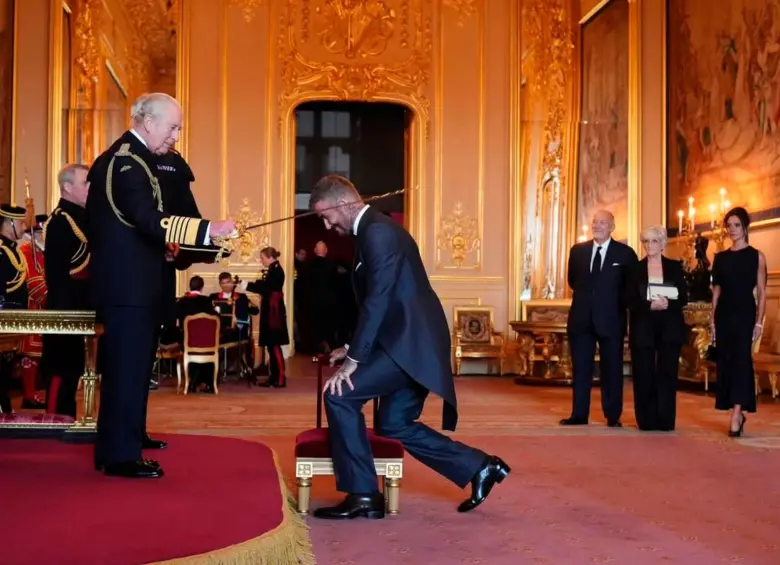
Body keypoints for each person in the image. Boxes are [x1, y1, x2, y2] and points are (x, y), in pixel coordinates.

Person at [308, 174, 509, 520]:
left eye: (326, 216)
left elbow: (379, 300)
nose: (326, 226)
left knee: (339, 395)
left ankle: (363, 496)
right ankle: (480, 467)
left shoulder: (379, 232)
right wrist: (350, 345)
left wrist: (354, 360)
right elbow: (387, 300)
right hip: (408, 342)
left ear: (343, 204)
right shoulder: (371, 231)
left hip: (409, 347)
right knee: (394, 423)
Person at [87, 92, 236, 478]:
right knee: (127, 370)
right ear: (147, 122)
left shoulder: (138, 161)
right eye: (172, 127)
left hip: (138, 285)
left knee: (134, 370)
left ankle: (122, 444)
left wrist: (192, 246)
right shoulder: (125, 163)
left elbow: (149, 225)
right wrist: (208, 229)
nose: (175, 136)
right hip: (128, 288)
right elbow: (147, 217)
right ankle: (121, 456)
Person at [562, 210, 638, 427]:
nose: (597, 226)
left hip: (611, 320)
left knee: (612, 370)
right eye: (595, 222)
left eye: (602, 223)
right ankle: (579, 415)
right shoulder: (578, 252)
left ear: (612, 227)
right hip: (581, 320)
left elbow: (629, 287)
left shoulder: (625, 254)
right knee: (581, 369)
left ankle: (613, 416)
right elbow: (573, 281)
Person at [711, 207, 766, 437]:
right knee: (727, 362)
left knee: (742, 362)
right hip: (723, 316)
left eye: (736, 225)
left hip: (745, 316)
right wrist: (712, 323)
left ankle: (736, 413)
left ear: (745, 227)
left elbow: (762, 292)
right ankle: (736, 411)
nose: (732, 230)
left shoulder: (757, 256)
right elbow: (716, 292)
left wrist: (759, 323)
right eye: (729, 225)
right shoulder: (720, 258)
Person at [42, 164, 91, 418]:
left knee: (76, 370)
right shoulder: (61, 221)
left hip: (84, 308)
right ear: (68, 188)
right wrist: (63, 317)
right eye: (86, 183)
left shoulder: (86, 217)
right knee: (62, 369)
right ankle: (55, 421)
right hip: (65, 310)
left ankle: (69, 419)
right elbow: (57, 275)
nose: (90, 188)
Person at [627, 225, 687, 431]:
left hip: (669, 326)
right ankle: (646, 420)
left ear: (662, 244)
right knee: (643, 373)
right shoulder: (634, 269)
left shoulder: (674, 267)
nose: (649, 245)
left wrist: (668, 303)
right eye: (645, 241)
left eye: (653, 241)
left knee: (667, 373)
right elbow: (628, 299)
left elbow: (683, 296)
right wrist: (649, 305)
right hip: (643, 325)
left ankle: (665, 420)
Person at [17, 214, 48, 409]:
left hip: (44, 309)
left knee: (37, 353)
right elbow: (33, 281)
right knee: (30, 353)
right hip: (31, 307)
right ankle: (28, 395)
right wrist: (48, 299)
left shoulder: (43, 251)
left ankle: (33, 393)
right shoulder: (26, 251)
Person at [246, 247, 289, 388]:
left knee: (274, 345)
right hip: (271, 310)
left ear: (270, 257)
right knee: (271, 345)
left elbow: (266, 288)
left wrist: (248, 285)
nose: (261, 260)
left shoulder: (276, 270)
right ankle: (274, 376)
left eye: (262, 258)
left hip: (273, 313)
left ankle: (280, 378)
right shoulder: (273, 269)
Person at [0, 204, 29, 413]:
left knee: (6, 370)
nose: (24, 226)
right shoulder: (2, 252)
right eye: (20, 222)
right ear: (9, 224)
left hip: (13, 318)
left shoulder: (12, 250)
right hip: (3, 317)